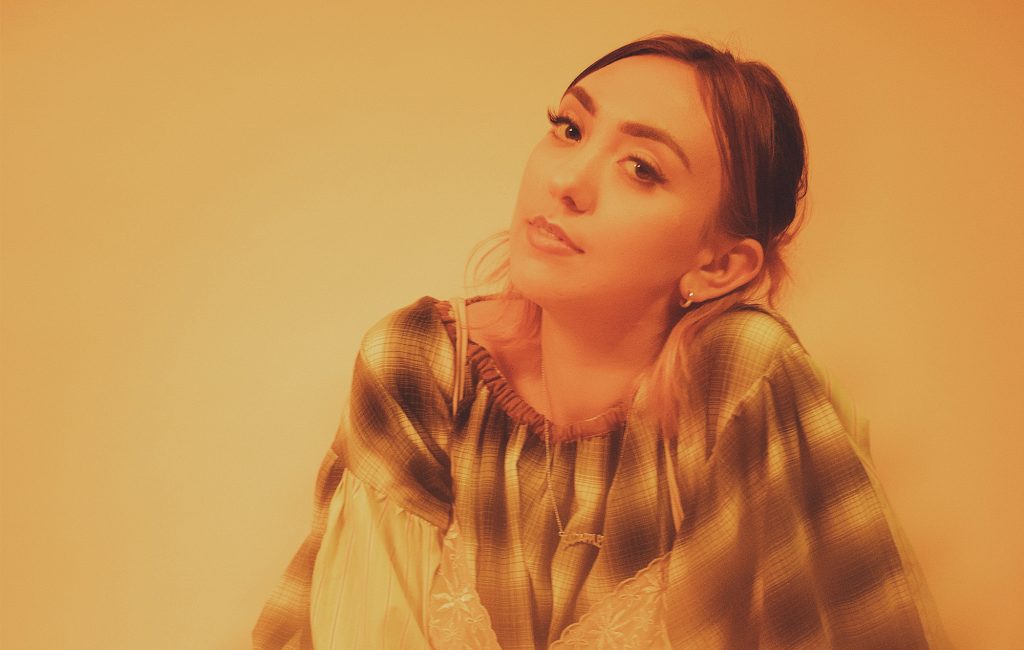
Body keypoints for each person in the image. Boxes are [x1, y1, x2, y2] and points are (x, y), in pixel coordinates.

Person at [253, 33, 946, 648]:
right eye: (569, 129)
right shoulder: (422, 366)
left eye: (641, 167)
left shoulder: (738, 381)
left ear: (719, 266)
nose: (566, 181)